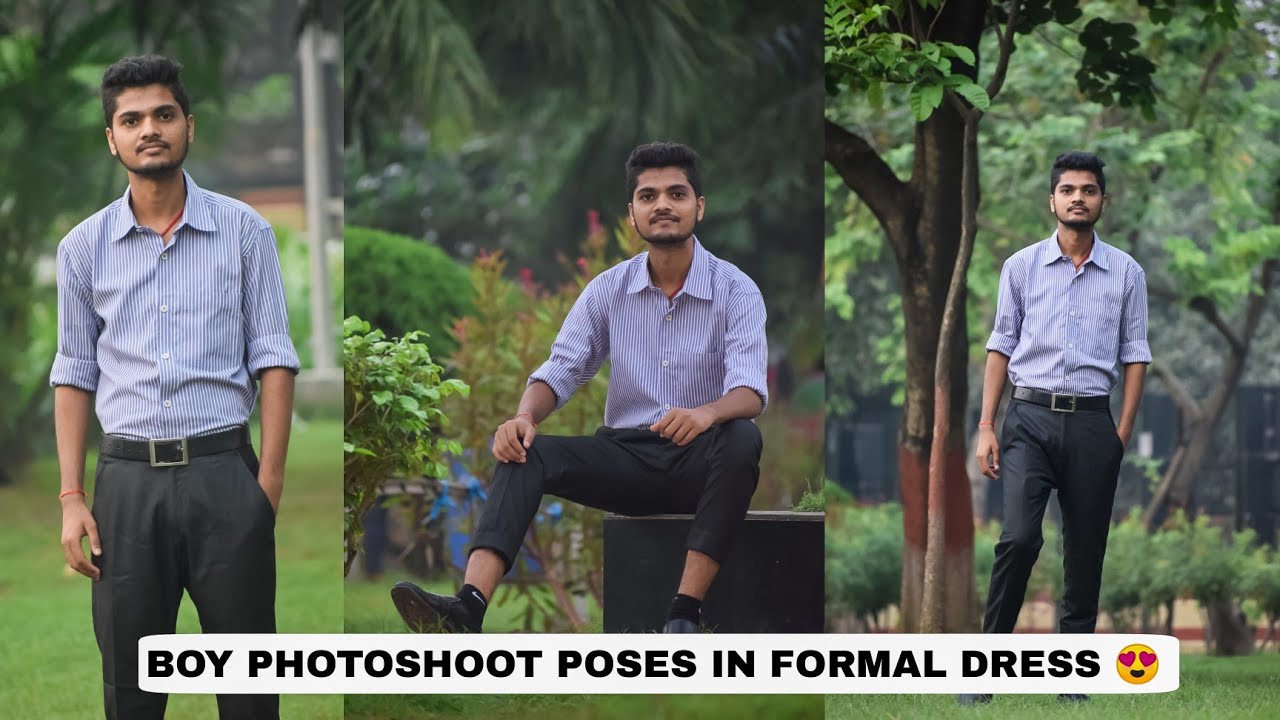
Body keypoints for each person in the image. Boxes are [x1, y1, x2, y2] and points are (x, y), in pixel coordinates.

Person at [391, 142, 768, 634]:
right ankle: (467, 609)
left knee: (743, 437)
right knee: (524, 449)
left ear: (699, 206)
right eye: (648, 196)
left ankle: (683, 615)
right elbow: (561, 369)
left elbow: (751, 392)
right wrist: (524, 417)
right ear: (632, 213)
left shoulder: (736, 290)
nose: (662, 205)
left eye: (677, 193)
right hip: (627, 459)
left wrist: (705, 414)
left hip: (700, 459)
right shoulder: (608, 290)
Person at [52, 55, 299, 719]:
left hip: (225, 473)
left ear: (189, 125)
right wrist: (73, 496)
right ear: (113, 138)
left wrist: (265, 487)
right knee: (130, 691)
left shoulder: (245, 232)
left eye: (163, 114)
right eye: (130, 120)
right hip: (126, 489)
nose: (148, 129)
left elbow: (274, 357)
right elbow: (73, 372)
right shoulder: (82, 249)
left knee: (249, 688)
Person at [961, 151, 1151, 705]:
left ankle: (1073, 680)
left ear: (1102, 202)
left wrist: (1121, 433)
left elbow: (1136, 356)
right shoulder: (1019, 268)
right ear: (1052, 200)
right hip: (1028, 419)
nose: (1077, 198)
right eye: (1067, 189)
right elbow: (1000, 346)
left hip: (1094, 422)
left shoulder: (1127, 273)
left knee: (1085, 550)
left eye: (1088, 190)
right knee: (1018, 538)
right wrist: (986, 425)